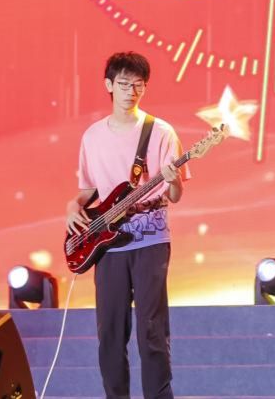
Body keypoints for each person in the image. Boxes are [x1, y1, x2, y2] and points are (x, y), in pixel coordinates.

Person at [66, 51, 190, 399]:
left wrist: (173, 180)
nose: (130, 92)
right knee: (110, 333)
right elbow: (88, 189)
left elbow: (175, 194)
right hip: (107, 244)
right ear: (109, 85)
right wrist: (72, 206)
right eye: (123, 84)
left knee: (152, 330)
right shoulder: (92, 136)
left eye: (138, 85)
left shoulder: (161, 132)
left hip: (151, 240)